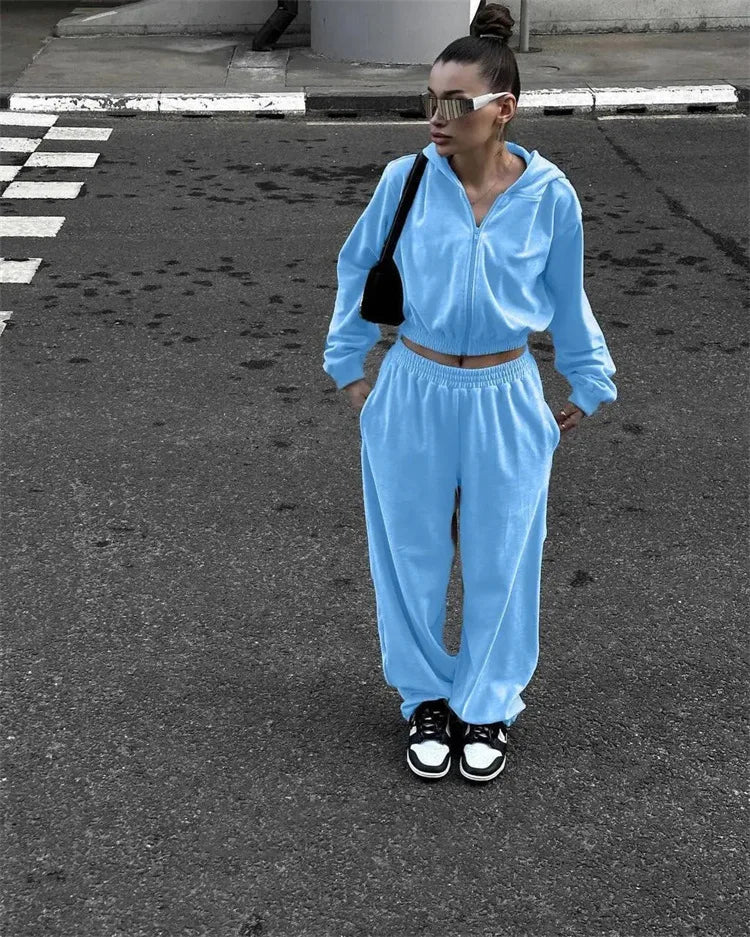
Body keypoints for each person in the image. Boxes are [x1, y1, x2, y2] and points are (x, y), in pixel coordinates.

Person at [322, 4, 617, 784]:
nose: (436, 117)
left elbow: (568, 295)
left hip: (505, 391)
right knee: (409, 556)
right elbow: (359, 268)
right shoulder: (407, 180)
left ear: (502, 109)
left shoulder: (550, 194)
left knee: (503, 558)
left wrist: (588, 379)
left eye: (455, 103)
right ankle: (425, 697)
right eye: (430, 99)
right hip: (412, 387)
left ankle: (487, 703)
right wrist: (351, 370)